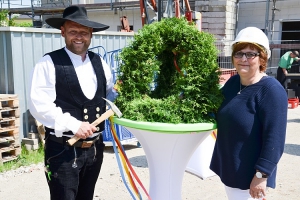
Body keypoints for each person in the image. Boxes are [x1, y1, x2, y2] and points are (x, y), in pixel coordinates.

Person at [28, 5, 118, 200]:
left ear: (91, 34)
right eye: (73, 31)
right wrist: (73, 124)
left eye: (84, 32)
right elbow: (39, 104)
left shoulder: (99, 62)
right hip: (63, 150)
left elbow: (108, 93)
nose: (79, 36)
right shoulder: (49, 63)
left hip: (94, 150)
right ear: (63, 32)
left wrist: (121, 93)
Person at [210, 27, 288, 200]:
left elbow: (275, 140)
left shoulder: (271, 91)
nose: (243, 59)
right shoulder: (233, 82)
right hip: (231, 168)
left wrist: (261, 176)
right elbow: (219, 110)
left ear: (262, 58)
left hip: (250, 175)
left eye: (251, 54)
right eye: (239, 53)